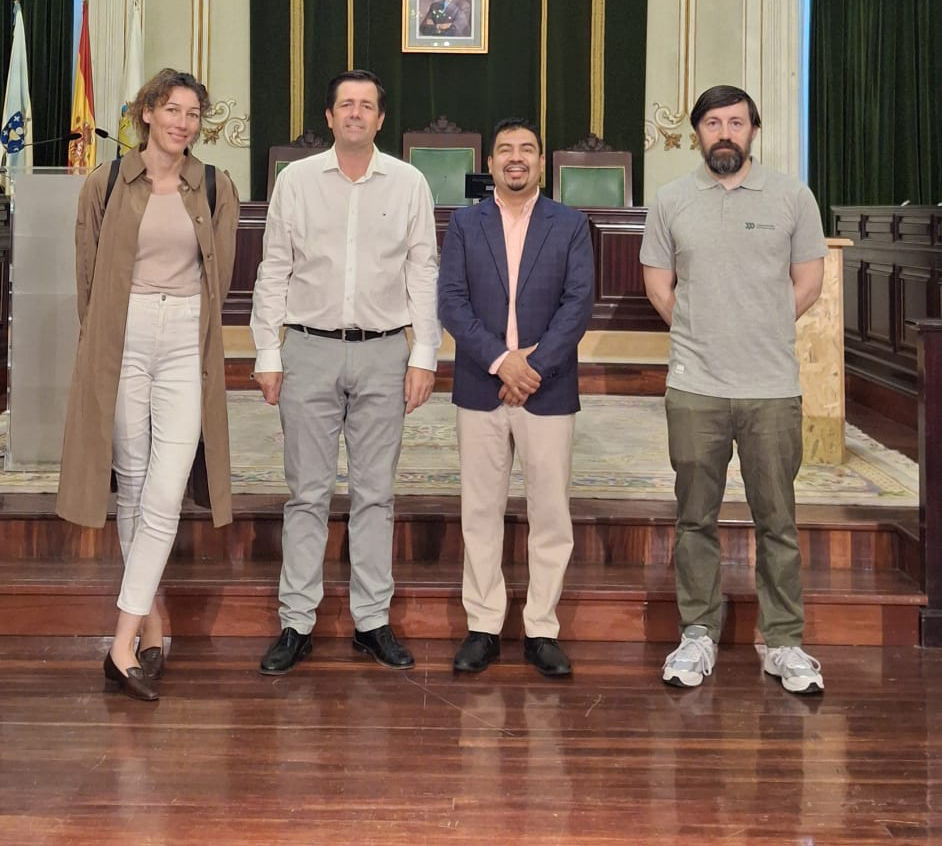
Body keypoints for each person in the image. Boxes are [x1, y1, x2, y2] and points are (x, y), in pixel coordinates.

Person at [57, 68, 240, 702]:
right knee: (134, 486)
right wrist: (101, 346)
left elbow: (220, 277)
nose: (183, 123)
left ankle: (119, 643)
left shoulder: (214, 185)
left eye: (192, 113)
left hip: (185, 336)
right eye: (172, 110)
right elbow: (87, 277)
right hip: (124, 336)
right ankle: (152, 625)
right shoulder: (106, 182)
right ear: (147, 114)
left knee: (165, 491)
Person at [251, 69, 440, 675]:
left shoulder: (409, 183)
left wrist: (424, 355)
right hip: (308, 350)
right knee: (307, 493)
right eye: (345, 105)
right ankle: (296, 621)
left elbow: (423, 272)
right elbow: (273, 268)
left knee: (375, 493)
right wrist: (267, 352)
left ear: (380, 119)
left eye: (366, 105)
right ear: (329, 117)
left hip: (385, 353)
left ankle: (372, 620)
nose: (355, 113)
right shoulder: (297, 181)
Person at [640, 84, 827, 695]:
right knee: (695, 517)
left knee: (778, 521)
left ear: (754, 130)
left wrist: (759, 328)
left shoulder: (792, 197)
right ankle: (698, 634)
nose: (725, 132)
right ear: (697, 133)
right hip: (695, 386)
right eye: (713, 123)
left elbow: (808, 283)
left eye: (737, 122)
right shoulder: (671, 200)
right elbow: (659, 286)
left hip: (771, 386)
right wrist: (702, 332)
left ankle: (784, 642)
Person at [438, 119, 594, 678]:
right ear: (491, 162)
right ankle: (483, 625)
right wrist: (502, 361)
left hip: (547, 387)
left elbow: (578, 303)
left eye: (527, 148)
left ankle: (541, 628)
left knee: (550, 511)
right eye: (505, 149)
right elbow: (452, 302)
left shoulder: (570, 224)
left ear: (541, 161)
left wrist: (532, 366)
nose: (516, 157)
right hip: (481, 384)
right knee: (480, 510)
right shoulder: (465, 224)